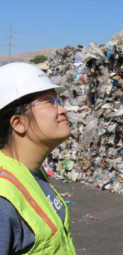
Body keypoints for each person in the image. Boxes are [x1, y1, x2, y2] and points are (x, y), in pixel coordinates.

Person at [0, 63, 76, 254]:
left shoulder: (32, 173)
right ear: (19, 123)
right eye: (49, 101)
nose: (62, 110)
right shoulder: (3, 199)